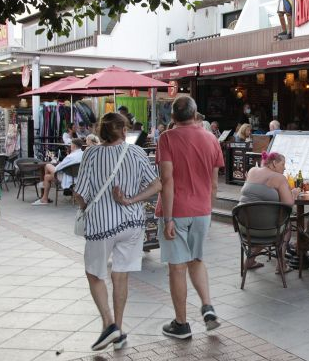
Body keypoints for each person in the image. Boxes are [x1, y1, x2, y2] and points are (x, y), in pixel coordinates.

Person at [74, 112, 160, 350]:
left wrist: (83, 206)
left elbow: (80, 193)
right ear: (123, 130)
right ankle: (119, 331)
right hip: (132, 223)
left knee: (94, 273)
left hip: (102, 224)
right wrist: (132, 200)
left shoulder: (91, 153)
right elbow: (156, 184)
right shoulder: (137, 152)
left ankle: (109, 324)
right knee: (121, 275)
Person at [155, 96, 224, 339]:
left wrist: (168, 218)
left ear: (172, 117)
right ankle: (207, 306)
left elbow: (167, 179)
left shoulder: (167, 138)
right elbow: (214, 184)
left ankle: (181, 324)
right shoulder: (211, 139)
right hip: (202, 210)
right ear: (196, 115)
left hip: (177, 211)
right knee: (196, 259)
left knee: (177, 268)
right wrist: (208, 211)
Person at [238, 151, 298, 273]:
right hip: (266, 229)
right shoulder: (279, 178)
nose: (285, 167)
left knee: (265, 224)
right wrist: (294, 194)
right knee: (284, 226)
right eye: (283, 164)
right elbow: (288, 204)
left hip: (243, 226)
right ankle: (281, 265)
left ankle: (249, 261)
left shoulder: (252, 171)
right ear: (274, 163)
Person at [32, 138, 86, 205]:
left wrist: (55, 162)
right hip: (80, 178)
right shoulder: (84, 154)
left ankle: (44, 193)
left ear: (74, 146)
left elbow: (58, 168)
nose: (70, 146)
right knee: (47, 177)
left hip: (69, 178)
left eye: (71, 145)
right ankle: (44, 194)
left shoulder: (71, 156)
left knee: (48, 165)